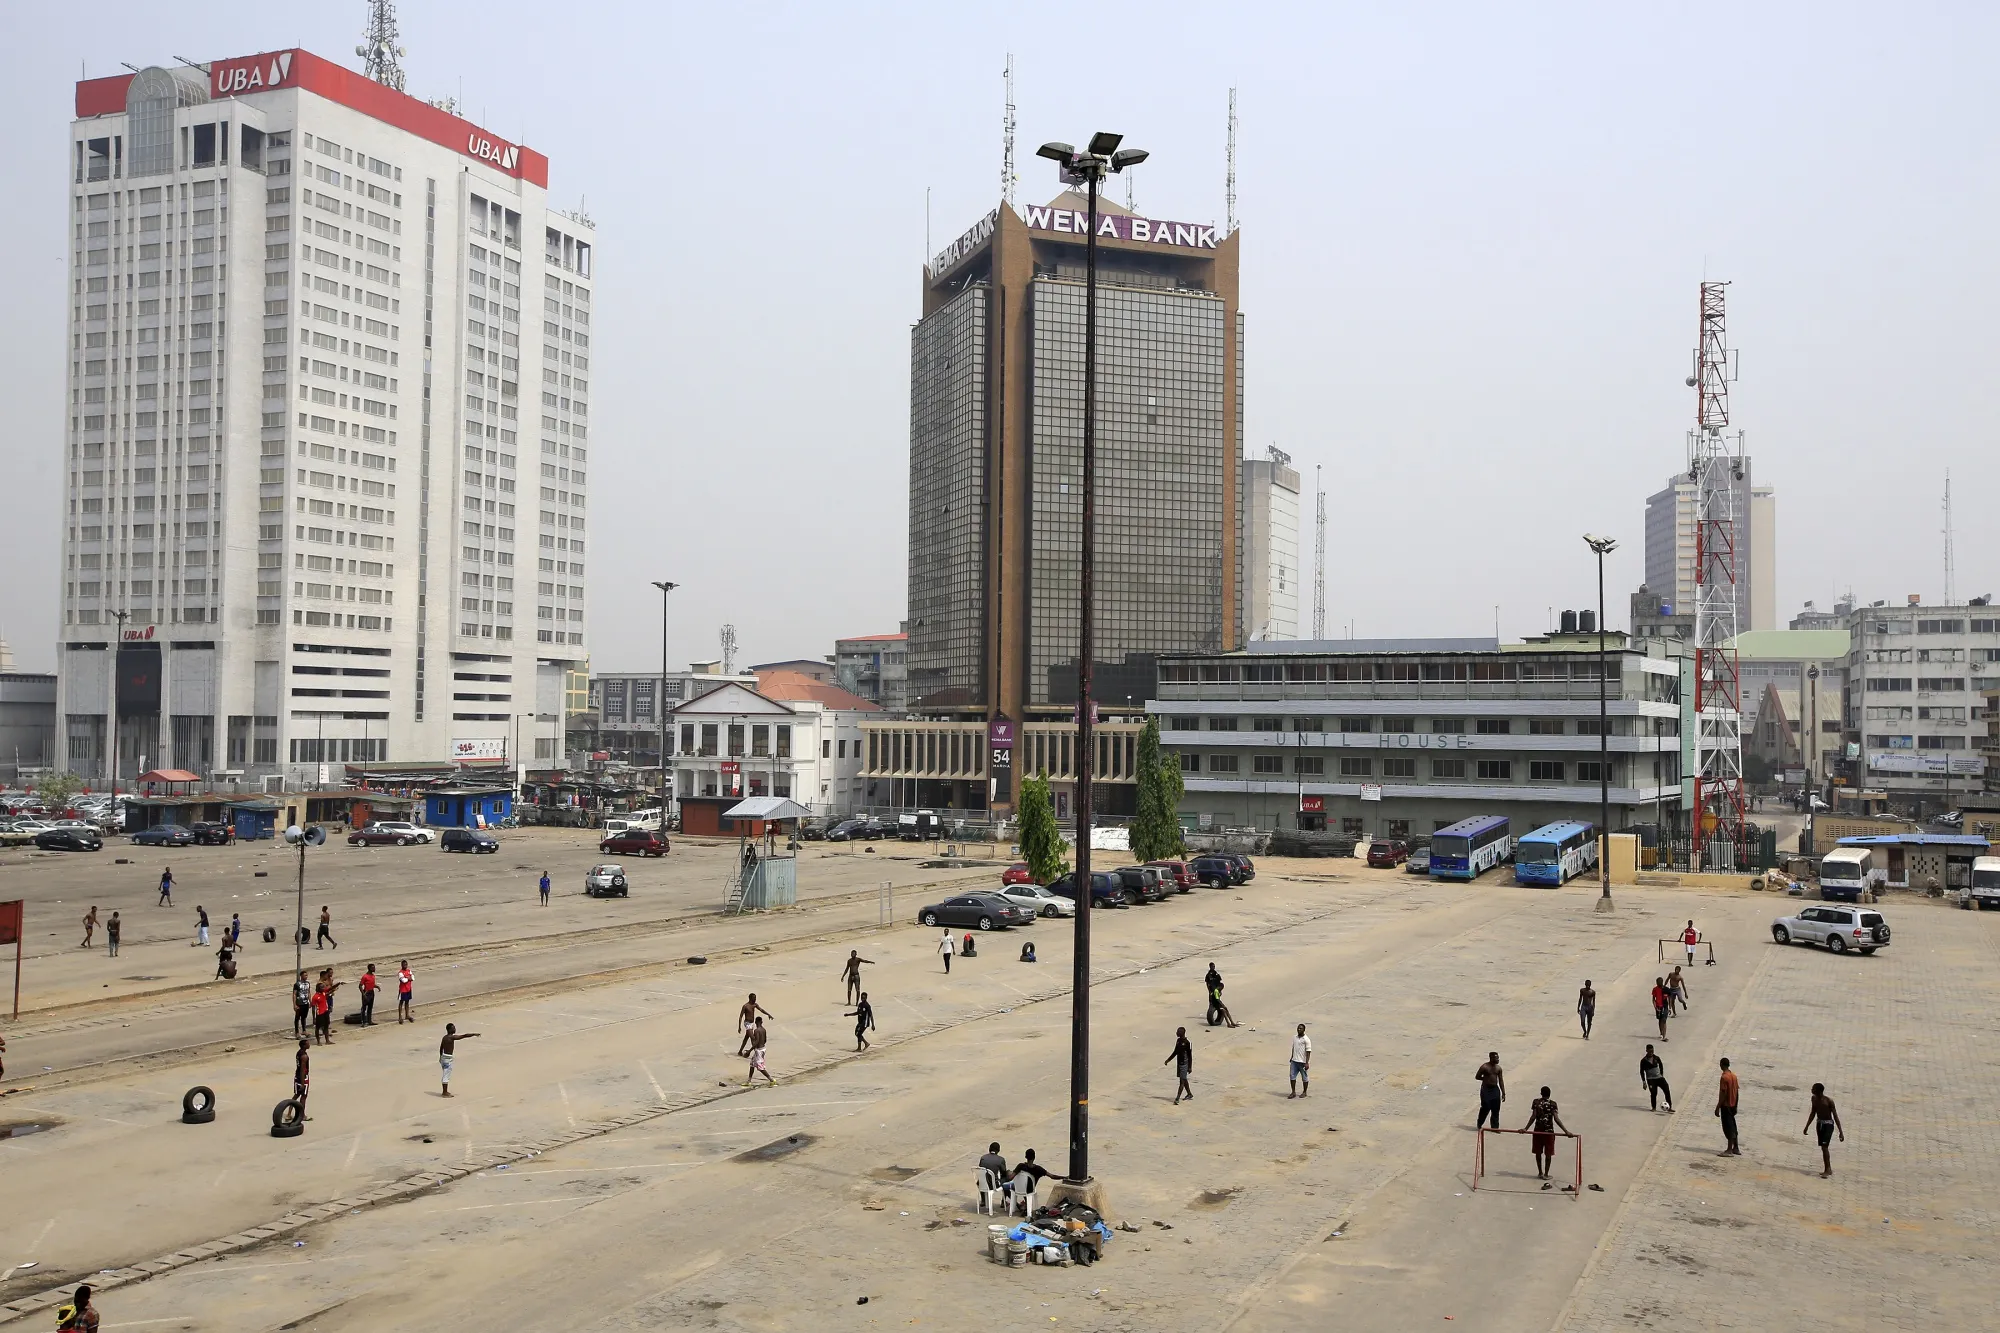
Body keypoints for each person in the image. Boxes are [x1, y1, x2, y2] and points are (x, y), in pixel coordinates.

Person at [1522, 1085, 1569, 1180]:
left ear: (1541, 1093)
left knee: (1538, 1152)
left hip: (1538, 1131)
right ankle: (1546, 1174)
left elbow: (1533, 1117)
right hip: (1548, 1132)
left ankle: (1540, 1172)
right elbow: (1556, 1119)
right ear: (1550, 1094)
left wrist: (1525, 1128)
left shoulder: (1536, 1102)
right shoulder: (1553, 1104)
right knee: (1548, 1153)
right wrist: (1566, 1131)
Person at [1803, 1083, 1844, 1177]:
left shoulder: (1828, 1101)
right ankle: (1828, 1168)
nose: (1811, 1090)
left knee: (1825, 1147)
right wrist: (1807, 1126)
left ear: (1819, 1091)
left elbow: (1836, 1116)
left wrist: (1841, 1132)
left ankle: (1828, 1169)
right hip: (1819, 1124)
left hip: (1828, 1125)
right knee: (1823, 1147)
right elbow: (1813, 1113)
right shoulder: (1814, 1099)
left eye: (1813, 1089)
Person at [439, 1022, 480, 1096]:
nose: (455, 1029)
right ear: (449, 1029)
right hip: (448, 1058)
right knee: (446, 1075)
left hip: (443, 1057)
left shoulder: (444, 1037)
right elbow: (464, 1036)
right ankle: (444, 1092)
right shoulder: (451, 1037)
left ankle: (445, 1091)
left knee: (445, 1073)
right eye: (453, 1028)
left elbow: (441, 1047)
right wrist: (474, 1034)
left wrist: (440, 1057)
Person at [1715, 1057, 1741, 1155]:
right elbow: (1737, 1091)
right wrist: (1736, 1105)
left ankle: (1729, 1149)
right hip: (1733, 1104)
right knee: (1733, 1125)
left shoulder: (1724, 1077)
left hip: (1726, 1105)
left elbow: (1724, 1093)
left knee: (1728, 1127)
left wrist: (1718, 1107)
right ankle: (1736, 1147)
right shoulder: (1734, 1076)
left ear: (1721, 1065)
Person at [1475, 1051, 1506, 1128]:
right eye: (1496, 1058)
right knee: (1486, 1107)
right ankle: (1480, 1123)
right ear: (1491, 1058)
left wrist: (1503, 1093)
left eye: (1498, 1057)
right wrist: (1485, 1079)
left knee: (1496, 1108)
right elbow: (1477, 1076)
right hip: (1486, 1089)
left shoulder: (1498, 1068)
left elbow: (1501, 1080)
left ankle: (1495, 1127)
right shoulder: (1484, 1067)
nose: (1498, 1059)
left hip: (1495, 1089)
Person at [1640, 1043, 1674, 1112]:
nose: (1651, 1053)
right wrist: (1644, 1082)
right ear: (1646, 1050)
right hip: (1651, 1079)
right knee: (1653, 1093)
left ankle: (1669, 1107)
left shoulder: (1656, 1058)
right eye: (1650, 1052)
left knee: (1667, 1090)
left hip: (1659, 1078)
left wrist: (1661, 1074)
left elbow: (1661, 1065)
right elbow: (1641, 1071)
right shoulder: (1643, 1061)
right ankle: (1654, 1107)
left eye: (1652, 1051)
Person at [1167, 1025, 1195, 1104]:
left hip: (1184, 1064)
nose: (1176, 1033)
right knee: (1184, 1079)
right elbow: (1175, 1052)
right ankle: (1189, 1094)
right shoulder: (1178, 1041)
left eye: (1178, 1032)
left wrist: (1190, 1067)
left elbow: (1190, 1056)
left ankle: (1177, 1098)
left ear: (1182, 1033)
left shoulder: (1187, 1043)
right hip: (1179, 1063)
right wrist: (1168, 1060)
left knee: (1181, 1082)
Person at [1289, 1023, 1313, 1098]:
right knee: (1292, 1076)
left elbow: (1308, 1051)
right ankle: (1293, 1092)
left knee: (1304, 1077)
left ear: (1304, 1030)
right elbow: (1293, 1047)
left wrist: (1307, 1062)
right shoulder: (1294, 1037)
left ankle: (1304, 1092)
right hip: (1294, 1061)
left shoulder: (1306, 1039)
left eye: (1301, 1028)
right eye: (1298, 1028)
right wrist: (1292, 1057)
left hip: (1302, 1062)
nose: (1299, 1029)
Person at [293, 1038, 312, 1121]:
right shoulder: (304, 1056)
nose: (309, 1044)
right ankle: (302, 1115)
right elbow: (302, 1070)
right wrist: (303, 1083)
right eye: (308, 1043)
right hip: (303, 1078)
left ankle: (289, 1113)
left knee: (296, 1095)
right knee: (303, 1097)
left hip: (297, 1076)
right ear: (304, 1045)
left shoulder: (299, 1053)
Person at [293, 971, 312, 1037]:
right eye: (305, 975)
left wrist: (310, 1001)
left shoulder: (308, 983)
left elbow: (309, 992)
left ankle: (304, 1030)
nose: (306, 977)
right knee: (297, 1017)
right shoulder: (297, 984)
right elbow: (294, 994)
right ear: (301, 976)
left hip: (305, 1003)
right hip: (299, 1003)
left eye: (307, 975)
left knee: (304, 1017)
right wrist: (294, 1004)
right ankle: (297, 1032)